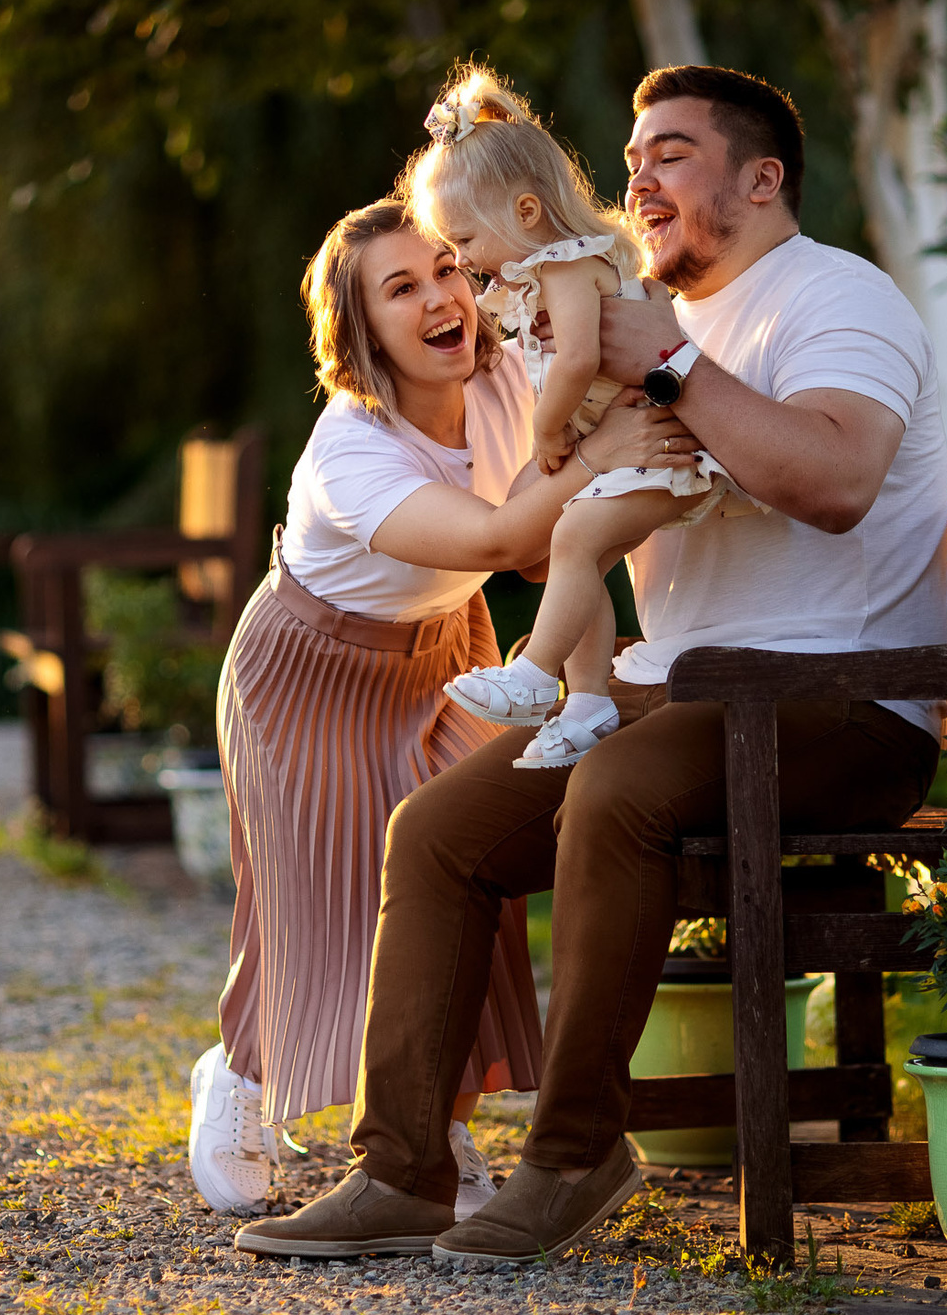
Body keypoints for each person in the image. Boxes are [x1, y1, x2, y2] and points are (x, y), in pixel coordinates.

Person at [234, 64, 947, 1267]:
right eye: (630, 157)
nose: (636, 177)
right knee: (437, 833)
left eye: (670, 153)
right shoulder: (647, 312)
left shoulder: (841, 299)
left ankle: (575, 1152)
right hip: (683, 689)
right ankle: (403, 1170)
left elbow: (832, 483)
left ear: (761, 180)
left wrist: (667, 366)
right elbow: (550, 517)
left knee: (618, 797)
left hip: (843, 698)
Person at [187, 196, 703, 1219]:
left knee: (463, 888)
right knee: (313, 900)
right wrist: (602, 456)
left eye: (446, 271)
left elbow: (595, 328)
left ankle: (440, 1120)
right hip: (311, 668)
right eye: (402, 287)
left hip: (449, 648)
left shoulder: (509, 372)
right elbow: (501, 542)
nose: (440, 299)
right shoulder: (350, 453)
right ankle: (240, 1076)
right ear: (361, 326)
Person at [403, 66, 755, 770]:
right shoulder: (539, 275)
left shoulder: (568, 264)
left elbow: (575, 361)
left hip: (664, 451)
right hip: (631, 449)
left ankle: (535, 674)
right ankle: (588, 700)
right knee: (580, 550)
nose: (464, 261)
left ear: (527, 213)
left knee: (573, 541)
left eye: (466, 241)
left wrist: (546, 430)